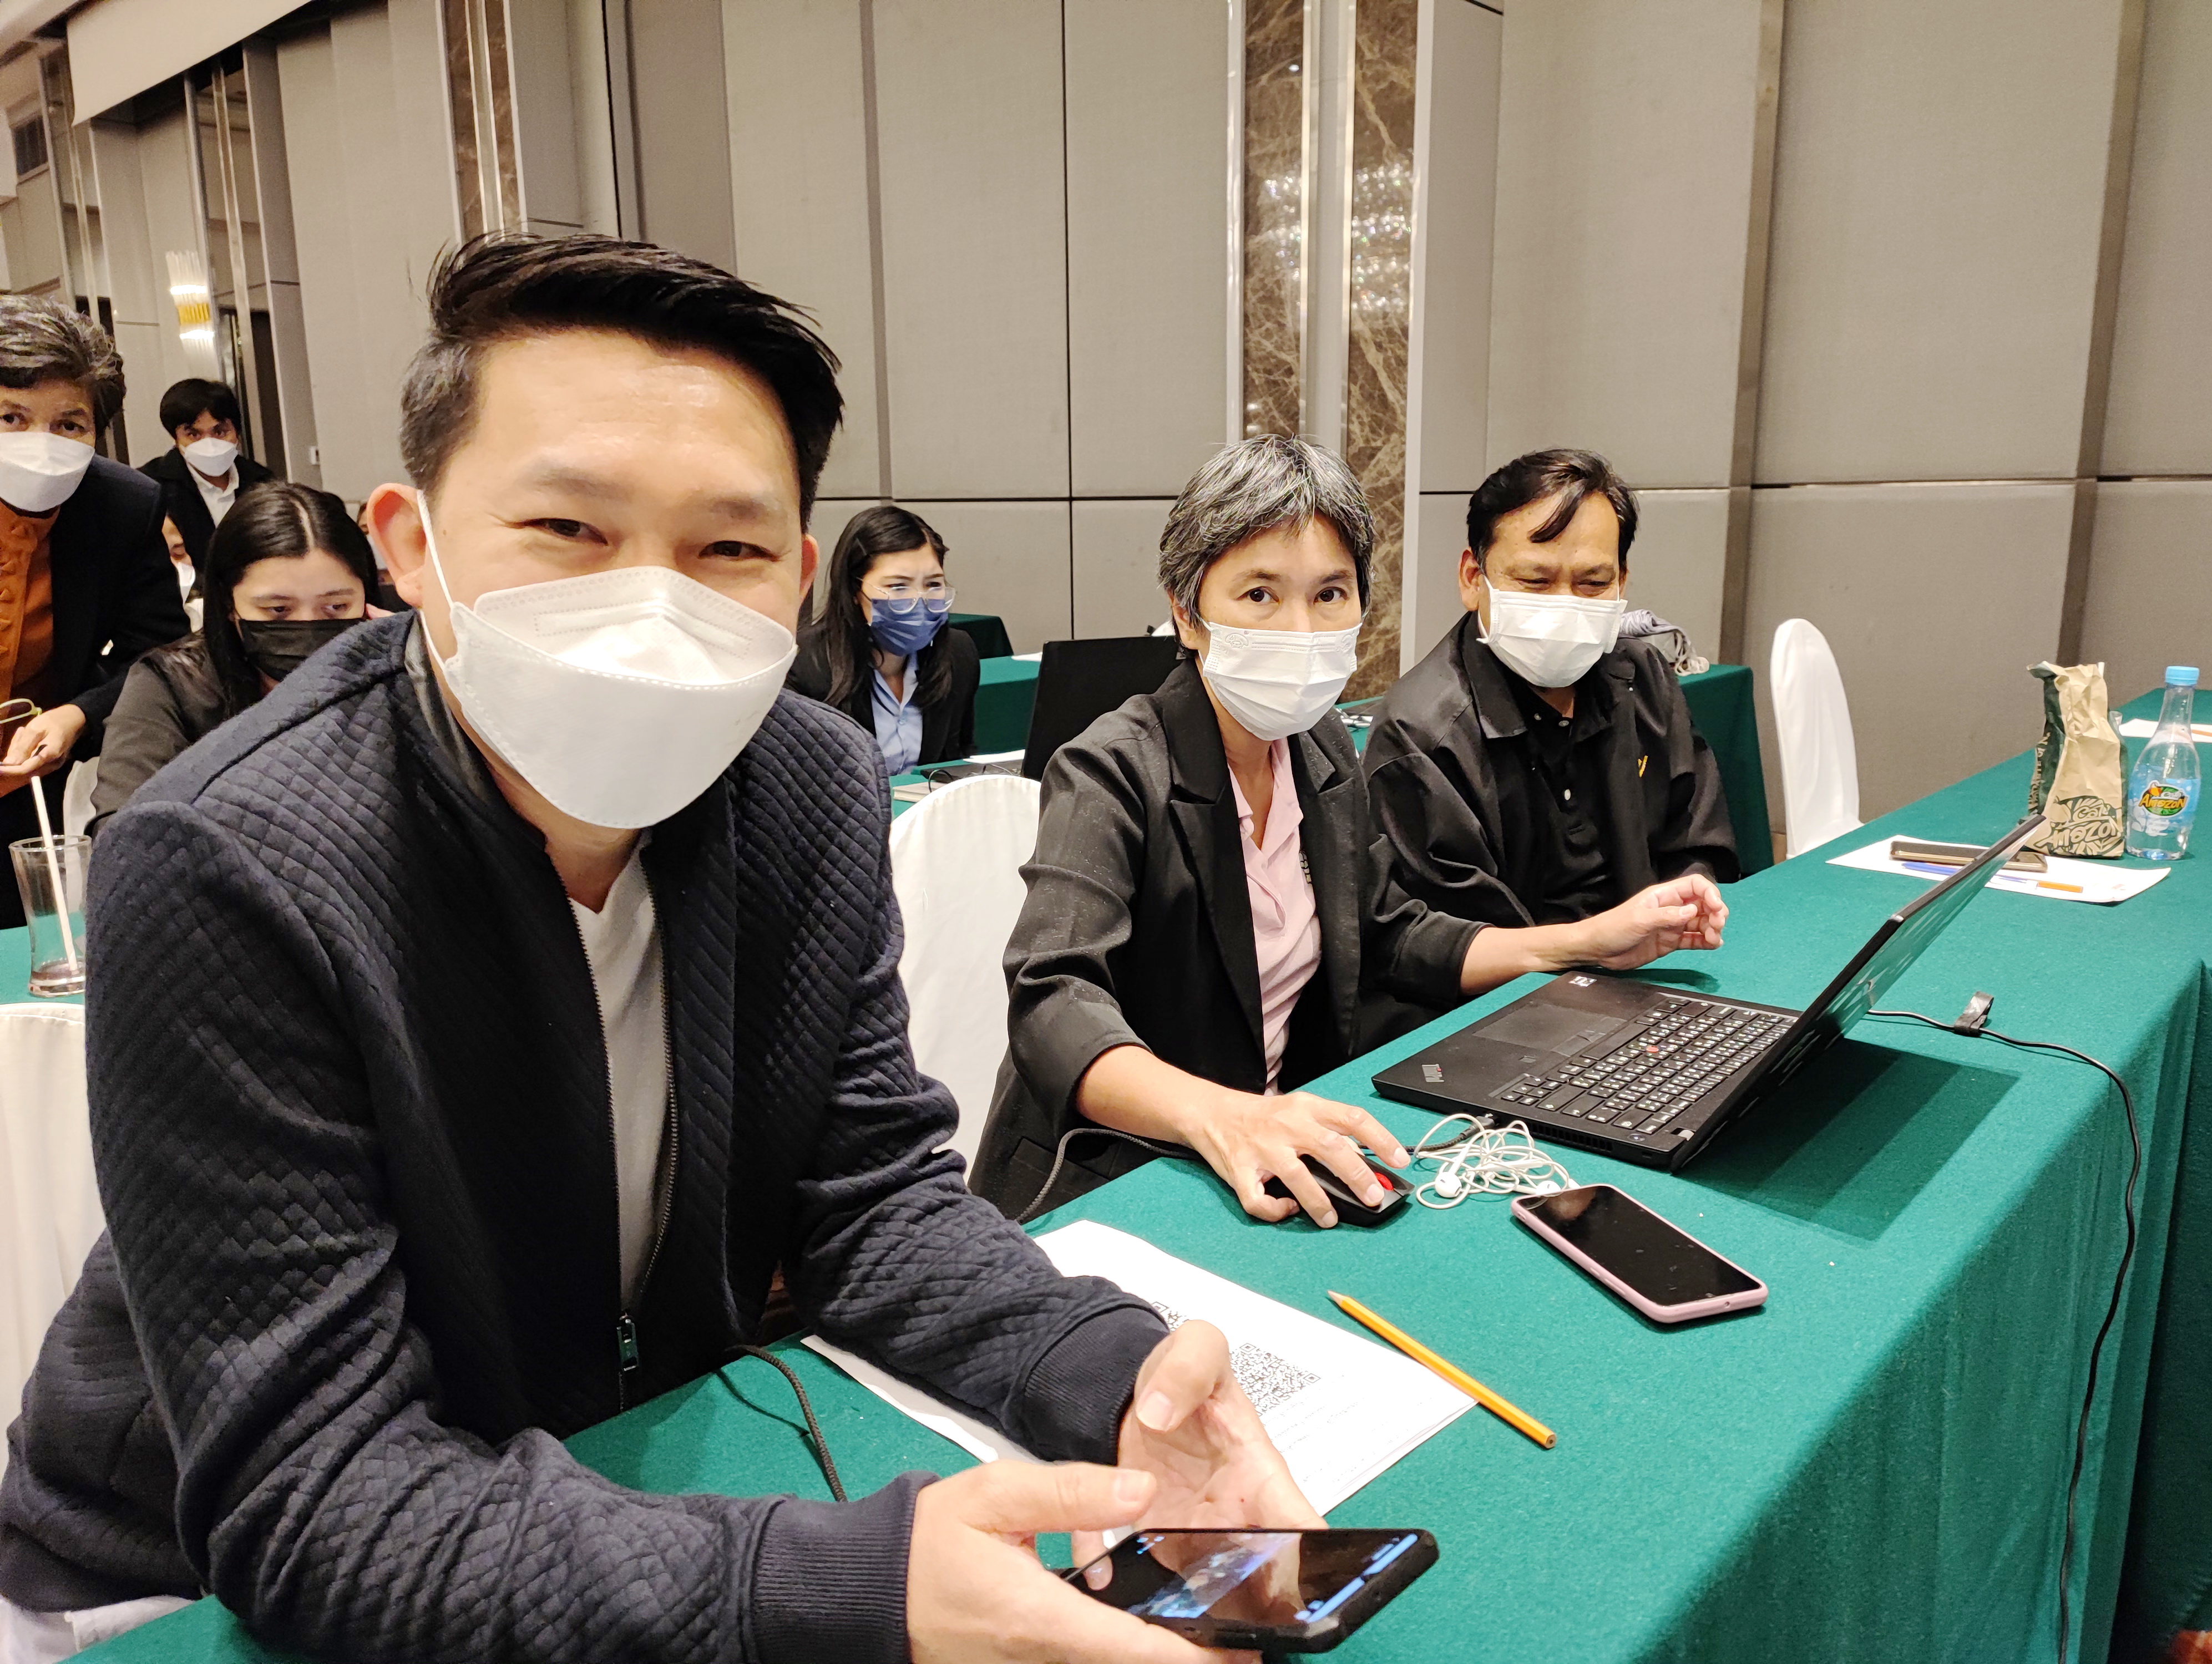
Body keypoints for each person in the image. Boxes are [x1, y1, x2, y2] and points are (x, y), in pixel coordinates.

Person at [0, 234, 1314, 1664]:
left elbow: (870, 1199)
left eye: (727, 549)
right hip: (173, 1587)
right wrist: (854, 1584)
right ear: (408, 544)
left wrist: (1111, 1375)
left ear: (798, 576)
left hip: (599, 1465)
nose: (650, 604)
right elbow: (317, 1501)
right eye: (567, 530)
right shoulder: (227, 860)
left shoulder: (807, 786)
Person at [969, 437, 1729, 1224]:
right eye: (1259, 595)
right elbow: (1054, 1001)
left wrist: (1583, 943)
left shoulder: (1321, 748)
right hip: (1113, 1175)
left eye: (1330, 594)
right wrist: (1227, 1116)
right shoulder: (1112, 769)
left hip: (1281, 1152)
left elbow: (1393, 933)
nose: (1300, 628)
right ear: (1187, 613)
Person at [1362, 448, 1740, 930]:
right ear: (1473, 579)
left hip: (1650, 955)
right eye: (1535, 580)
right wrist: (1594, 944)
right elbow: (1441, 937)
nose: (1564, 606)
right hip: (1512, 972)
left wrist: (1687, 896)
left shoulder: (1643, 678)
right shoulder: (1422, 733)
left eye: (1593, 582)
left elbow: (1695, 836)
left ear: (1622, 583)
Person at [0, 297, 188, 926]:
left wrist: (78, 714)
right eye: (11, 417)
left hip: (29, 783)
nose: (39, 444)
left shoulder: (123, 505)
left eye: (69, 424)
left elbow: (161, 652)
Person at [89, 481, 377, 834]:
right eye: (278, 610)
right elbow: (124, 834)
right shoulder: (169, 685)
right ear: (229, 604)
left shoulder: (395, 676)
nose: (307, 626)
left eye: (336, 607)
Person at [787, 504, 979, 774]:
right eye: (898, 587)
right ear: (855, 591)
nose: (919, 601)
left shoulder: (959, 654)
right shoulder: (804, 665)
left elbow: (957, 759)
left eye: (933, 584)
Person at [137, 378, 276, 567]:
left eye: (220, 432)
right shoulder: (150, 489)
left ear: (237, 432)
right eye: (194, 435)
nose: (209, 444)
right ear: (176, 438)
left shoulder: (263, 483)